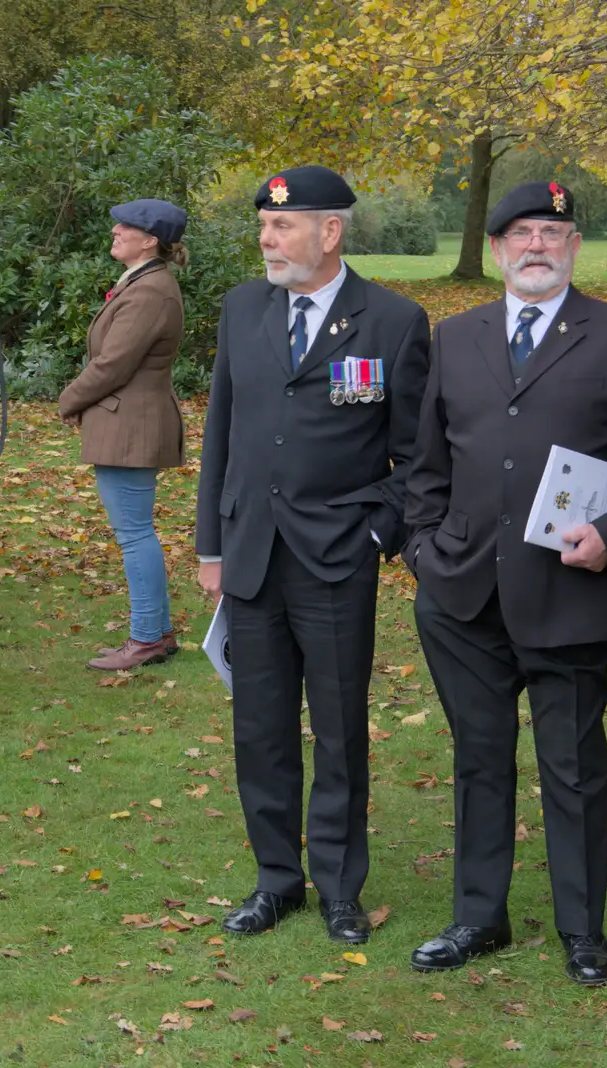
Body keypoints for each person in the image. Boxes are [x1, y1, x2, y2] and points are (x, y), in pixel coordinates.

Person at [400, 181, 607, 985]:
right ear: (495, 250)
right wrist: (422, 546)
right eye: (520, 234)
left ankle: (582, 931)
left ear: (575, 246)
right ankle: (478, 918)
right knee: (479, 760)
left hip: (569, 591)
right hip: (461, 595)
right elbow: (426, 460)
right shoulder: (456, 338)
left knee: (574, 766)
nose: (536, 247)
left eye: (552, 233)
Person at [195, 165, 431, 944]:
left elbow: (417, 459)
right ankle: (275, 881)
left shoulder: (393, 323)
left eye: (281, 226)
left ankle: (337, 886)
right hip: (252, 554)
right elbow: (221, 434)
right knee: (259, 728)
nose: (266, 238)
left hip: (336, 559)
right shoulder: (241, 309)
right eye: (263, 225)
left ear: (330, 233)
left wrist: (375, 534)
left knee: (338, 727)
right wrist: (210, 545)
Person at [59, 198, 189, 670]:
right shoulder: (142, 283)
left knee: (134, 534)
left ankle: (146, 638)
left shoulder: (151, 290)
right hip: (126, 420)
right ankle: (158, 632)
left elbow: (113, 363)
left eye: (125, 227)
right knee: (136, 532)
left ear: (150, 240)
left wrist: (69, 399)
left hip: (132, 425)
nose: (115, 230)